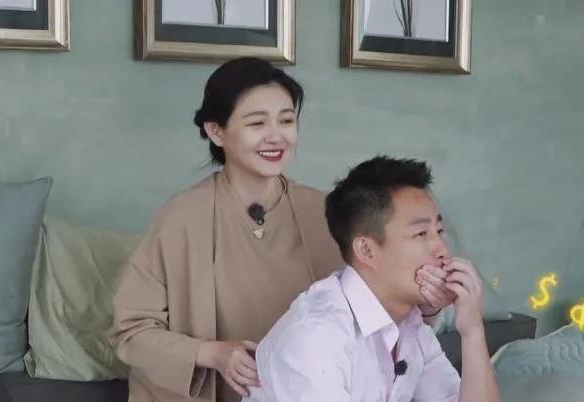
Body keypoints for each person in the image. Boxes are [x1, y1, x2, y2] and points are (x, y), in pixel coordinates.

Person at [109, 58, 454, 402]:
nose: (276, 136)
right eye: (257, 123)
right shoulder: (181, 218)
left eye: (286, 120)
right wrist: (211, 353)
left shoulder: (324, 211)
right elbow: (131, 332)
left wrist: (430, 308)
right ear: (216, 131)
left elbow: (380, 307)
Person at [245, 156, 501, 402]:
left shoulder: (411, 326)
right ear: (367, 251)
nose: (442, 249)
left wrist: (472, 331)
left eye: (439, 231)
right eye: (421, 234)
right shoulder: (316, 336)